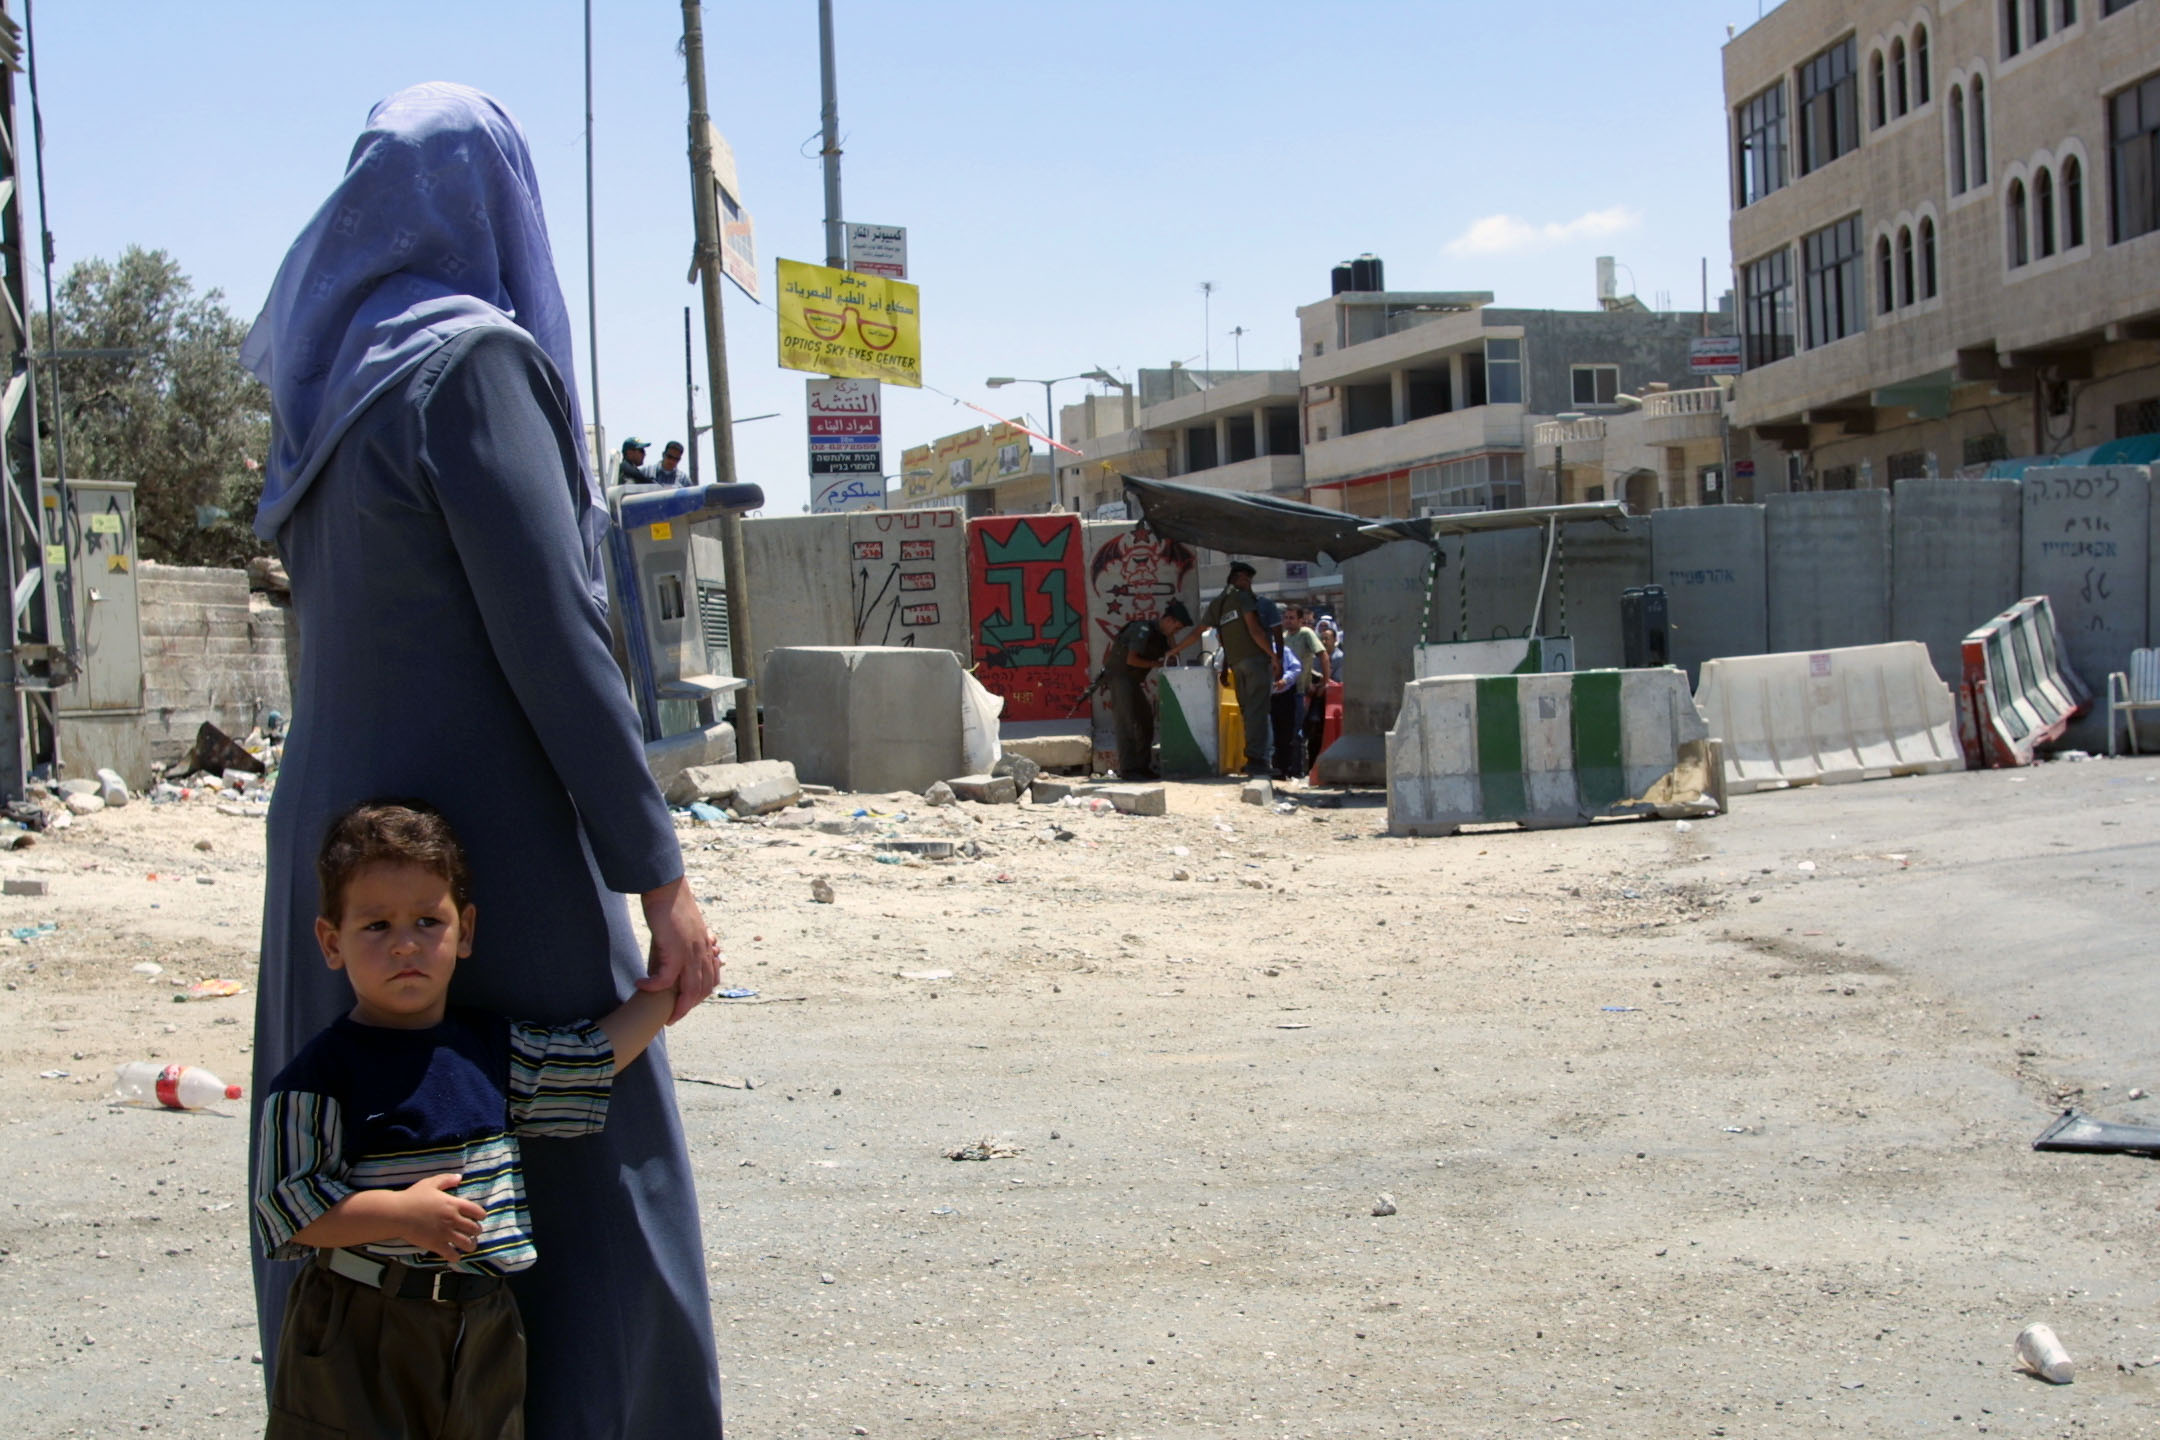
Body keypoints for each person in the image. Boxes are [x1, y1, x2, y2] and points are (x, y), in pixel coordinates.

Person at [240, 84, 725, 1438]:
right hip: (478, 854)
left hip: (339, 861)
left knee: (351, 1162)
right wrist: (658, 875)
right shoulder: (468, 365)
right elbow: (560, 644)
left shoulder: (324, 398)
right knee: (591, 1171)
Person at [255, 801, 691, 1439]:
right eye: (376, 925)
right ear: (331, 941)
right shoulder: (318, 1079)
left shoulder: (489, 1053)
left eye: (427, 921)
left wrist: (673, 986)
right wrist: (400, 1215)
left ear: (465, 933)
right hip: (362, 1324)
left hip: (482, 1322)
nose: (405, 943)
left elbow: (588, 1061)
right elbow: (288, 1207)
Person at [1192, 561, 1277, 777]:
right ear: (1237, 578)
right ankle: (1258, 761)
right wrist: (1273, 655)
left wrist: (1175, 649)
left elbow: (1213, 634)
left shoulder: (1219, 604)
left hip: (1236, 664)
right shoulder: (1243, 598)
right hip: (1255, 660)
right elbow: (1255, 631)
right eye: (1247, 580)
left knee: (1248, 712)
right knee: (1258, 711)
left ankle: (1253, 758)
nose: (1249, 584)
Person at [1103, 601, 1191, 781]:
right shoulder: (1142, 629)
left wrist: (1171, 639)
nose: (1177, 631)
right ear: (1167, 620)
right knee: (1127, 723)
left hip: (1133, 682)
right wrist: (1155, 664)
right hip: (1120, 678)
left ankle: (1142, 767)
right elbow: (1131, 659)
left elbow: (1174, 659)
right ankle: (1129, 770)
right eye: (1176, 627)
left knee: (1145, 722)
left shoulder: (1160, 636)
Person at [1268, 623, 1306, 779]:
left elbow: (1296, 668)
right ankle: (1273, 767)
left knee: (1286, 734)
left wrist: (1285, 680)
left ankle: (1284, 769)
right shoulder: (1257, 653)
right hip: (1266, 697)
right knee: (1270, 734)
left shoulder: (1283, 651)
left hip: (1284, 697)